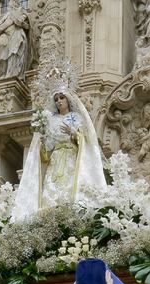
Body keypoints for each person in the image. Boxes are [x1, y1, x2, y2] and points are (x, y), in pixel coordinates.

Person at [11, 87, 106, 220]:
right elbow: (45, 156)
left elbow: (87, 142)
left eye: (62, 98)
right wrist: (42, 144)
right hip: (55, 160)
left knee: (70, 189)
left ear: (68, 99)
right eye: (56, 99)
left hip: (71, 158)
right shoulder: (50, 120)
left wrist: (73, 133)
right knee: (51, 191)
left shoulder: (77, 117)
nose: (59, 101)